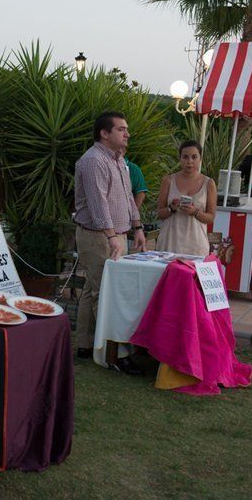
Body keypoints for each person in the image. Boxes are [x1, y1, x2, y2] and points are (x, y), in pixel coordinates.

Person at [74, 111, 146, 371]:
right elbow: (97, 204)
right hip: (99, 236)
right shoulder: (93, 160)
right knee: (105, 293)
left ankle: (84, 343)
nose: (127, 134)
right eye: (121, 129)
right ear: (104, 133)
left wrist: (137, 228)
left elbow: (127, 198)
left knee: (93, 290)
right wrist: (112, 236)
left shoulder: (118, 159)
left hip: (115, 235)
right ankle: (114, 354)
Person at [155, 140, 217, 256]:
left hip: (196, 245)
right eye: (185, 157)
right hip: (170, 242)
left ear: (200, 159)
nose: (190, 162)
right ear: (180, 159)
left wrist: (195, 212)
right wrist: (171, 208)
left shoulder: (209, 183)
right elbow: (159, 213)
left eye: (194, 157)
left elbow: (211, 217)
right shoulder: (168, 180)